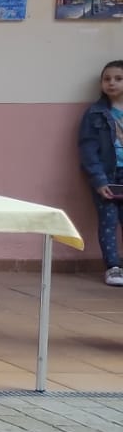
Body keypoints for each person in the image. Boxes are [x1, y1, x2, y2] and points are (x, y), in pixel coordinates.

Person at [80, 59, 123, 285]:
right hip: (107, 176)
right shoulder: (95, 114)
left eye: (118, 79)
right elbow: (88, 149)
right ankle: (113, 267)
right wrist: (98, 180)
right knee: (108, 220)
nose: (111, 83)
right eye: (107, 79)